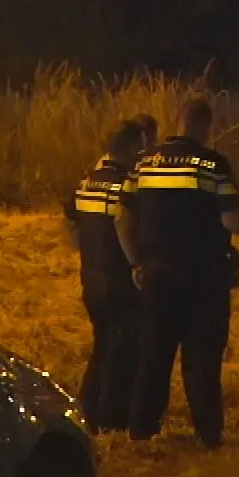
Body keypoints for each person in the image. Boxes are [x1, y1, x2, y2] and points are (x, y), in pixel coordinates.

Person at [116, 98, 239, 448]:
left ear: (178, 122)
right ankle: (208, 433)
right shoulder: (213, 164)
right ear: (206, 127)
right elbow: (234, 220)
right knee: (202, 358)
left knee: (154, 355)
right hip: (204, 276)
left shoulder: (144, 163)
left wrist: (135, 263)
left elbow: (122, 218)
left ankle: (142, 430)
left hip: (157, 275)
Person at [66, 120, 149, 433]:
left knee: (103, 344)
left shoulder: (86, 181)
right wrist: (136, 265)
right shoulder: (125, 185)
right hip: (117, 278)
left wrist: (87, 250)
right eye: (139, 149)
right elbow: (121, 223)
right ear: (129, 149)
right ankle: (110, 419)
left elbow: (71, 222)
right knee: (122, 348)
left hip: (91, 276)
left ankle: (87, 408)